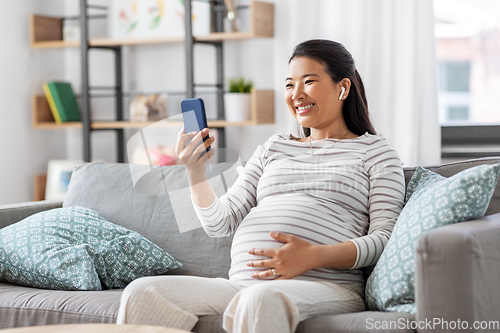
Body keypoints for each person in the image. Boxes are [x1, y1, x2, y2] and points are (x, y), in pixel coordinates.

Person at [117, 39, 405, 333]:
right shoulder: (273, 147)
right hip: (242, 285)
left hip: (326, 285)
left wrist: (313, 256)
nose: (297, 94)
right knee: (142, 292)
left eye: (309, 81)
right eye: (290, 85)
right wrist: (195, 170)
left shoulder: (375, 152)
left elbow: (384, 238)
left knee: (258, 299)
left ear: (342, 87)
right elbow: (219, 223)